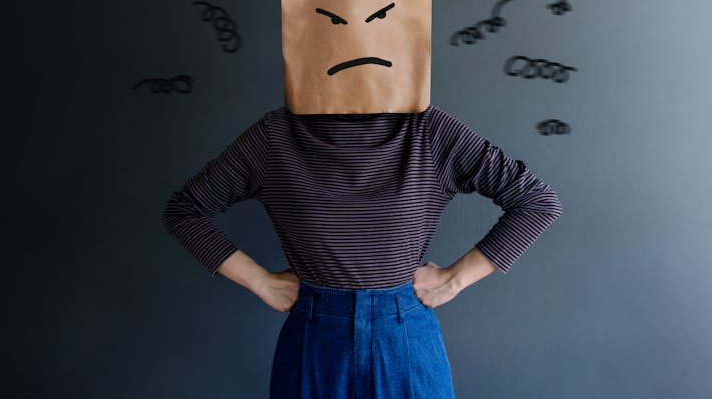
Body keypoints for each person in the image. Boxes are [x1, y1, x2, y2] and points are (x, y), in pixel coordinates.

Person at [161, 103, 562, 397]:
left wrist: (454, 280)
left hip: (404, 339)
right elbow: (185, 211)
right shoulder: (276, 135)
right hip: (315, 341)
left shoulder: (428, 130)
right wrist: (262, 282)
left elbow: (537, 203)